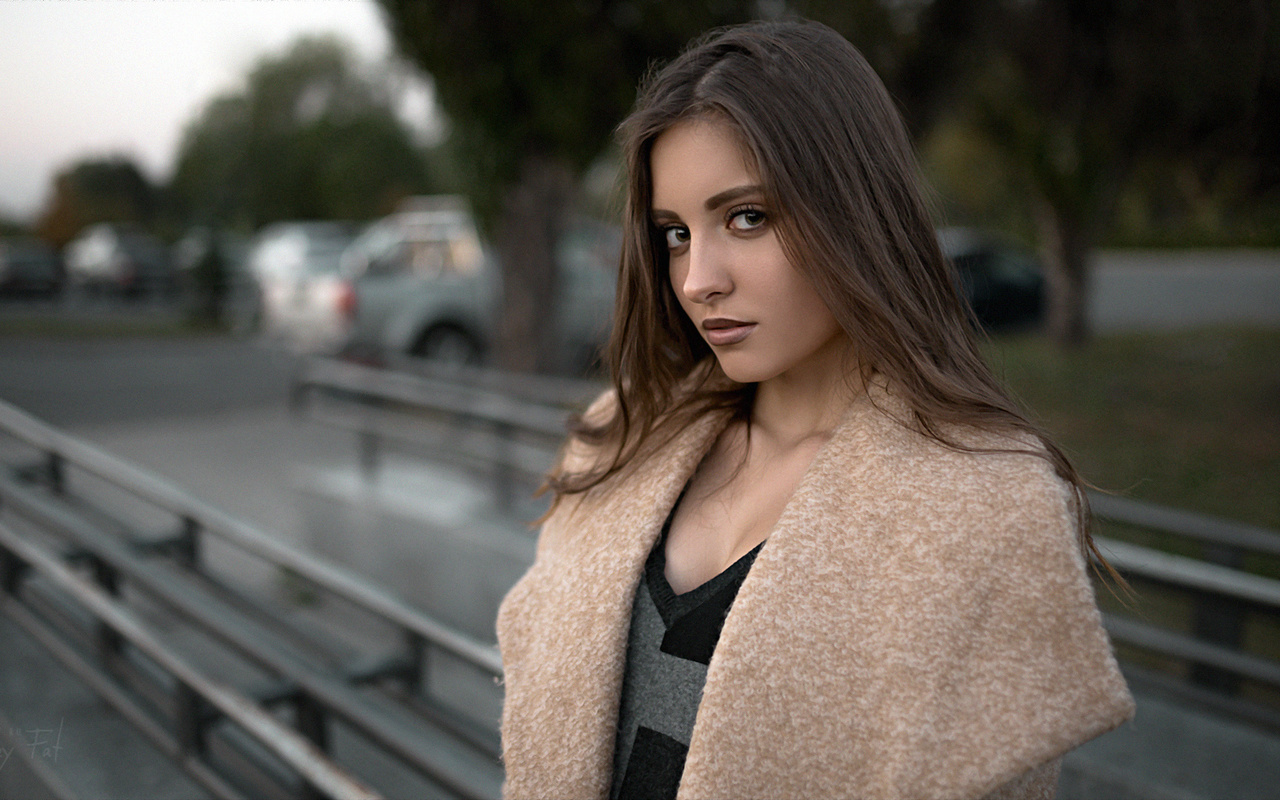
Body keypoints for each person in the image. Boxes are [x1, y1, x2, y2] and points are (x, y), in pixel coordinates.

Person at [497, 18, 1134, 800]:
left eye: (746, 217)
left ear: (854, 209)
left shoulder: (984, 506)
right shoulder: (623, 440)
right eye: (674, 234)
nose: (699, 278)